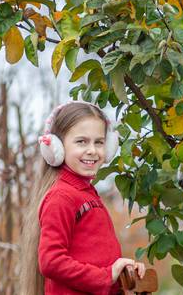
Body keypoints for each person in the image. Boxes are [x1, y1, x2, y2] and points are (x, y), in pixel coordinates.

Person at [19, 101, 145, 295]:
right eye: (81, 141)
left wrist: (121, 273)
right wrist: (107, 275)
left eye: (99, 142)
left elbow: (94, 257)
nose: (92, 150)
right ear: (56, 147)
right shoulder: (62, 197)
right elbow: (50, 261)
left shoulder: (85, 193)